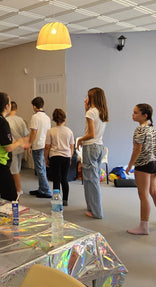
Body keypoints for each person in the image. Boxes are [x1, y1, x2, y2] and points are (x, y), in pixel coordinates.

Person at [125, 104, 156, 235]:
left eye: (136, 112)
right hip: (154, 163)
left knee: (143, 195)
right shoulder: (152, 129)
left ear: (145, 115)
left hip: (143, 164)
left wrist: (130, 165)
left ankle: (144, 227)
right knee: (154, 191)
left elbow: (137, 149)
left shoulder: (140, 129)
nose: (133, 115)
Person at [0, 92, 29, 201]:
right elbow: (8, 147)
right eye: (9, 102)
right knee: (12, 198)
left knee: (5, 194)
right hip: (0, 163)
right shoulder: (1, 122)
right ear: (6, 106)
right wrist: (19, 142)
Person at [77, 87, 109, 219]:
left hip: (90, 147)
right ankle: (92, 207)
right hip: (99, 147)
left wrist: (80, 140)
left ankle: (96, 211)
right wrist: (86, 109)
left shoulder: (91, 112)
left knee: (91, 180)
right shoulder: (101, 112)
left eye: (88, 96)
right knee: (91, 179)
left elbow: (91, 134)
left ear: (92, 98)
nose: (86, 99)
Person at [44, 108, 74, 206]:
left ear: (54, 119)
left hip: (55, 156)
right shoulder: (69, 131)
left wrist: (45, 159)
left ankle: (56, 199)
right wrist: (70, 157)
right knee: (64, 179)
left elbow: (47, 147)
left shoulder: (50, 131)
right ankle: (65, 200)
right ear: (64, 119)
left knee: (56, 179)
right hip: (66, 157)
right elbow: (71, 147)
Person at [28, 97, 52, 198]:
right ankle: (41, 188)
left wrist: (29, 144)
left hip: (37, 145)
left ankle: (46, 191)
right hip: (44, 144)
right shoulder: (47, 117)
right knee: (42, 168)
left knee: (40, 169)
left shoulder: (35, 117)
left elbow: (33, 132)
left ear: (34, 106)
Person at [6, 101, 29, 196]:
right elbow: (26, 134)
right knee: (17, 168)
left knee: (14, 169)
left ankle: (19, 189)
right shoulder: (21, 120)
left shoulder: (6, 120)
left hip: (12, 147)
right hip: (20, 147)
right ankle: (15, 187)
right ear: (16, 109)